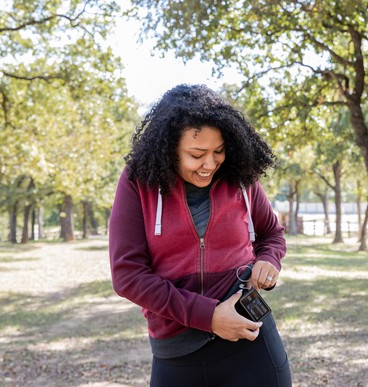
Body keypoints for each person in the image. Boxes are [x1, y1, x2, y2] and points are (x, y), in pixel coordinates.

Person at [108, 84, 292, 387]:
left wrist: (269, 259)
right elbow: (128, 275)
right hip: (177, 350)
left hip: (250, 341)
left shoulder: (240, 177)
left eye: (218, 151)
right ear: (168, 149)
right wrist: (210, 317)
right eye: (196, 154)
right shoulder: (137, 182)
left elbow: (271, 233)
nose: (210, 164)